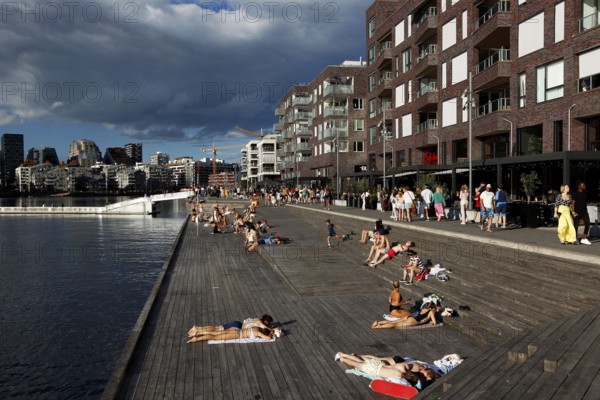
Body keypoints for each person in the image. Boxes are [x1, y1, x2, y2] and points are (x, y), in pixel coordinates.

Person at [187, 314, 273, 337]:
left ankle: (197, 328)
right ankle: (198, 330)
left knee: (217, 327)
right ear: (266, 321)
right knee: (217, 330)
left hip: (238, 323)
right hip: (238, 327)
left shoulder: (257, 319)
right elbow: (264, 327)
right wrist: (271, 330)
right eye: (268, 322)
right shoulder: (261, 323)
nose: (268, 324)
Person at [371, 303, 438, 329]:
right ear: (433, 308)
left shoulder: (424, 309)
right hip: (414, 321)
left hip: (410, 317)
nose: (435, 310)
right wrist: (432, 322)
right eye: (435, 309)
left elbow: (424, 317)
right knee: (395, 325)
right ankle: (379, 326)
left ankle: (378, 322)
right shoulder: (431, 312)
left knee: (394, 322)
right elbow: (434, 322)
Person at [572, 181, 592, 245]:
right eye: (583, 185)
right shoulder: (575, 193)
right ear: (579, 186)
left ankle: (584, 238)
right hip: (577, 212)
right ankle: (575, 238)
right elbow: (573, 203)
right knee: (576, 225)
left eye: (584, 185)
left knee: (588, 223)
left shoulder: (585, 193)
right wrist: (573, 212)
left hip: (584, 212)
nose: (584, 187)